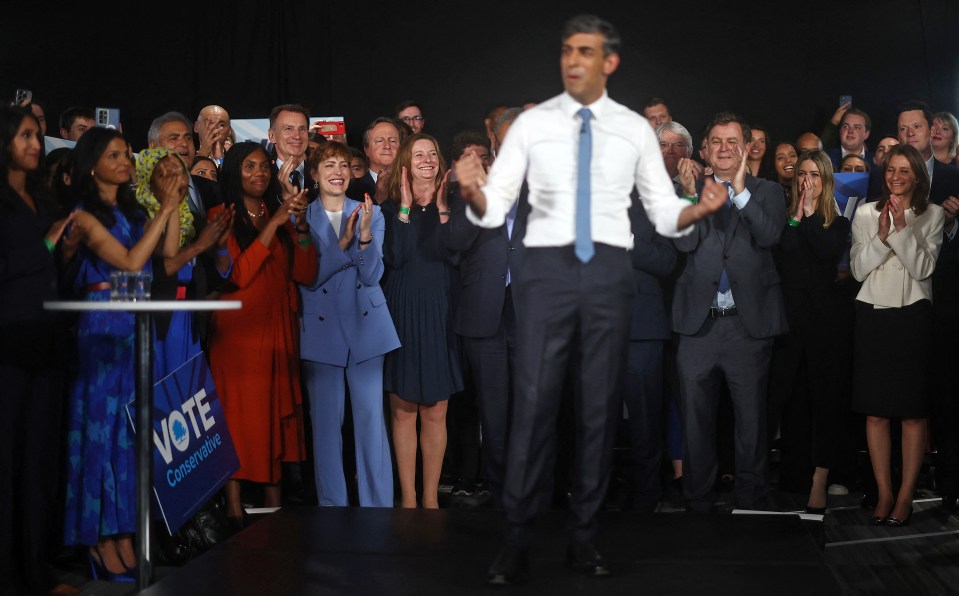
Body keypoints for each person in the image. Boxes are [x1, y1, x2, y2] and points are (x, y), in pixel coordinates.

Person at [454, 14, 724, 584]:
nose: (575, 61)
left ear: (610, 63)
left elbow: (659, 210)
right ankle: (518, 539)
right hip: (544, 282)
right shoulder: (531, 126)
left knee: (599, 416)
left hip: (605, 282)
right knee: (532, 413)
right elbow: (495, 210)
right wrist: (474, 189)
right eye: (568, 52)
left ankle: (584, 538)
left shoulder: (631, 131)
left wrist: (696, 209)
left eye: (588, 52)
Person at [62, 127, 182, 581]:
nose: (127, 160)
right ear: (93, 164)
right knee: (100, 432)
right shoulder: (83, 216)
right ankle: (98, 540)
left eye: (128, 153)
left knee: (128, 434)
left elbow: (164, 253)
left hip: (134, 325)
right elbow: (129, 262)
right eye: (116, 155)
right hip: (102, 326)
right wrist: (167, 206)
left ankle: (126, 535)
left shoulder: (131, 210)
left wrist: (171, 201)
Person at [672, 112, 787, 515]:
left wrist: (739, 192)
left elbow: (770, 234)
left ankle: (750, 501)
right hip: (697, 327)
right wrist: (688, 197)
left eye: (732, 141)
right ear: (705, 149)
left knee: (751, 423)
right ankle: (697, 500)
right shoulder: (688, 188)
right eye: (716, 141)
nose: (724, 148)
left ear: (747, 147)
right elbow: (684, 246)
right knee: (695, 420)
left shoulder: (767, 191)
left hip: (747, 325)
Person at [206, 142, 317, 525]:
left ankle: (275, 504)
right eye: (250, 166)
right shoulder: (221, 214)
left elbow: (305, 272)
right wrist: (273, 224)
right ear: (234, 171)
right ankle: (234, 506)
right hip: (237, 333)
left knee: (274, 414)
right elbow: (237, 275)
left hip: (277, 328)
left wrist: (300, 226)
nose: (260, 173)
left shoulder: (280, 214)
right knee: (237, 418)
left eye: (265, 167)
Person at [0, 106, 76, 595]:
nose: (34, 143)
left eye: (37, 135)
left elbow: (50, 270)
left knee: (39, 465)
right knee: (7, 468)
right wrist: (47, 246)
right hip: (8, 347)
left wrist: (63, 255)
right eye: (25, 135)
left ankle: (35, 571)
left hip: (47, 343)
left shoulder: (42, 200)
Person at [299, 141, 399, 507]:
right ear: (314, 174)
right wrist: (343, 246)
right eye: (329, 166)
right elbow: (308, 278)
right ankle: (332, 509)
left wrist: (366, 236)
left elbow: (372, 275)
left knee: (372, 425)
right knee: (325, 428)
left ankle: (379, 507)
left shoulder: (371, 212)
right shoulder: (301, 217)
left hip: (367, 326)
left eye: (343, 164)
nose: (338, 172)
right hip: (320, 331)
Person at [849, 143, 943, 526]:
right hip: (873, 315)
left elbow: (922, 269)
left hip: (913, 317)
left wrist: (903, 230)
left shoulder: (932, 214)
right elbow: (857, 270)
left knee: (911, 413)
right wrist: (882, 235)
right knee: (875, 412)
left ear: (917, 175)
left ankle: (905, 495)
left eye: (905, 170)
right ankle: (884, 492)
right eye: (891, 170)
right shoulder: (865, 213)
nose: (896, 177)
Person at [767, 150, 851, 513]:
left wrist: (812, 213)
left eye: (815, 175)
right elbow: (783, 252)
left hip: (826, 329)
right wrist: (797, 216)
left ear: (826, 180)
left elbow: (825, 251)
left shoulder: (838, 223)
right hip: (790, 327)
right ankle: (792, 478)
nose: (807, 181)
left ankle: (820, 478)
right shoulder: (786, 221)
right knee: (792, 403)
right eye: (802, 174)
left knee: (824, 405)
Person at [381, 133, 461, 509]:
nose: (427, 159)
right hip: (402, 311)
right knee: (403, 408)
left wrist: (442, 208)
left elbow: (457, 256)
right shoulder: (389, 208)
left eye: (432, 153)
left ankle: (430, 499)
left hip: (441, 310)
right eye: (418, 154)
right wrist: (406, 207)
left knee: (437, 408)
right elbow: (395, 256)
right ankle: (409, 499)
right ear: (405, 165)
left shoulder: (457, 205)